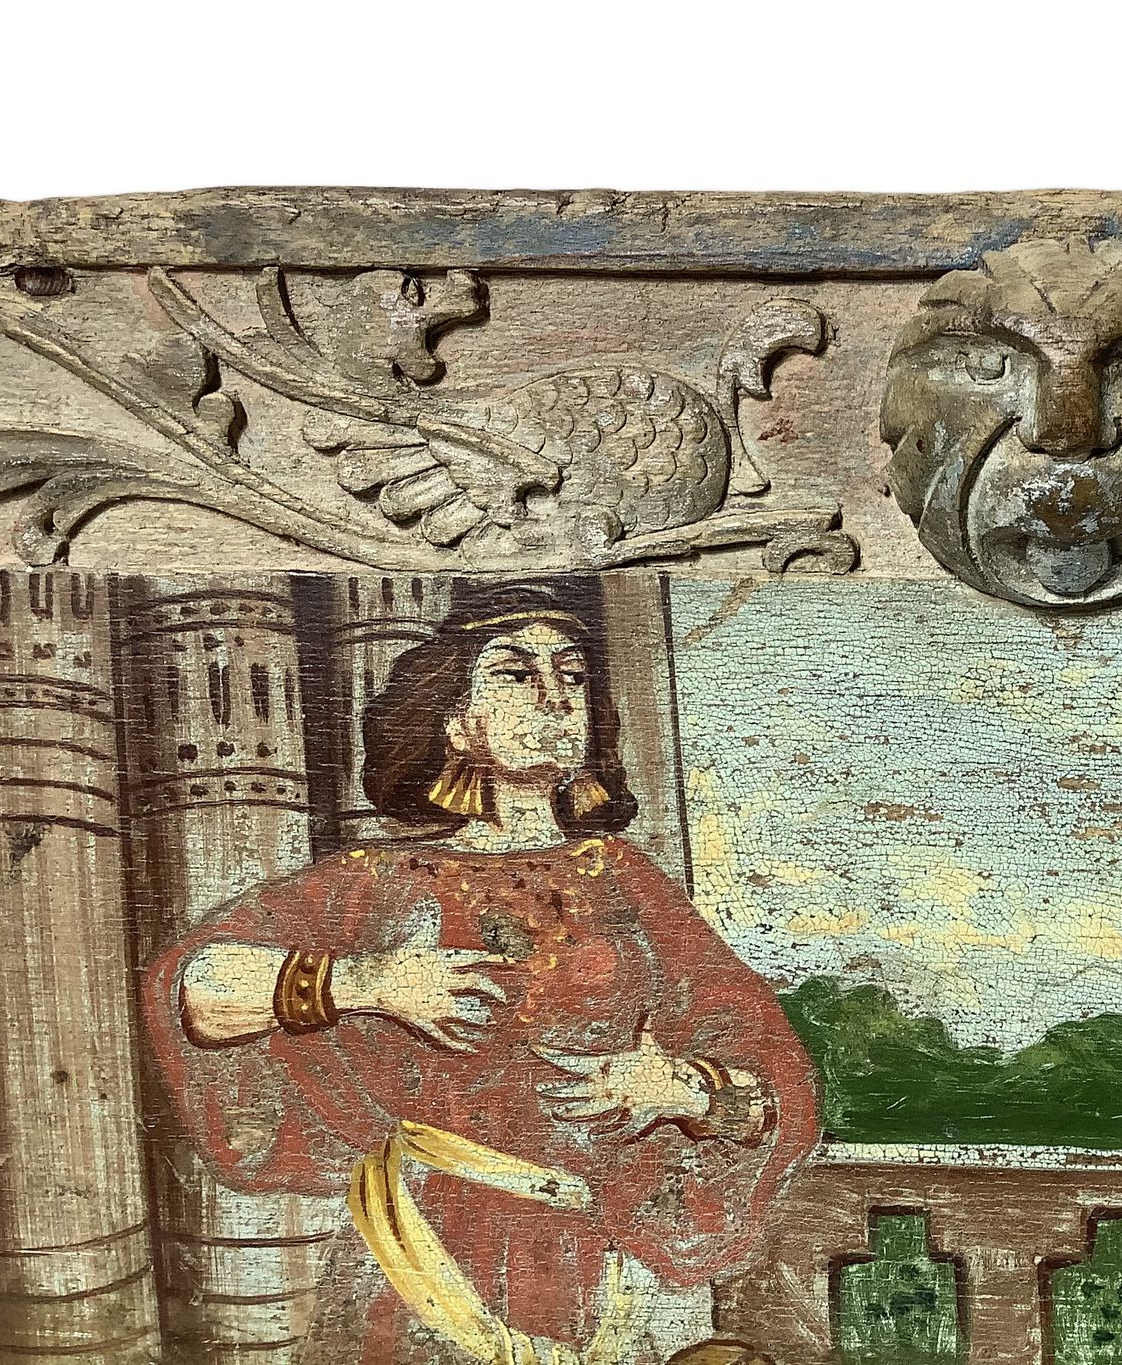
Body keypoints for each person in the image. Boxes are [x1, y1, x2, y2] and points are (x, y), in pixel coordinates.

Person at [141, 582, 818, 1365]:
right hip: (423, 1248)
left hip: (604, 1251)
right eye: (516, 674)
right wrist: (367, 984)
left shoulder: (624, 880)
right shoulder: (379, 882)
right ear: (458, 722)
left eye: (571, 675)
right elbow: (194, 990)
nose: (554, 696)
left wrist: (684, 1089)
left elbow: (768, 1077)